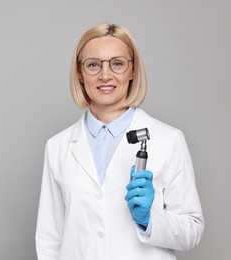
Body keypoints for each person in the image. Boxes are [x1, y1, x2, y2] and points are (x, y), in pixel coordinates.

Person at [35, 23, 204, 260]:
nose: (105, 75)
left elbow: (192, 230)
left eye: (117, 63)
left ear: (132, 71)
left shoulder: (169, 140)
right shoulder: (58, 147)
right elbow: (49, 240)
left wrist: (148, 220)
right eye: (93, 64)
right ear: (80, 74)